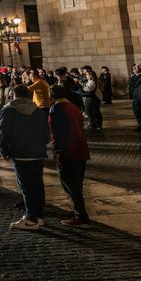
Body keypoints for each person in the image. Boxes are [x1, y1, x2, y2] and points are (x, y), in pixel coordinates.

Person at [0, 84, 50, 230]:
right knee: (38, 184)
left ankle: (30, 218)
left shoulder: (8, 110)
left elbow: (3, 132)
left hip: (21, 152)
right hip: (38, 152)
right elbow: (45, 131)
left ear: (13, 95)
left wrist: (4, 150)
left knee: (26, 186)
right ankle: (39, 216)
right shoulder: (37, 109)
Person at [49, 85, 90, 226]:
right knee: (76, 184)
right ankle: (78, 211)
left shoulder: (57, 109)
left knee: (70, 185)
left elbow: (58, 132)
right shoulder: (73, 107)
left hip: (68, 151)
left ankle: (80, 215)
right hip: (80, 149)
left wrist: (58, 151)